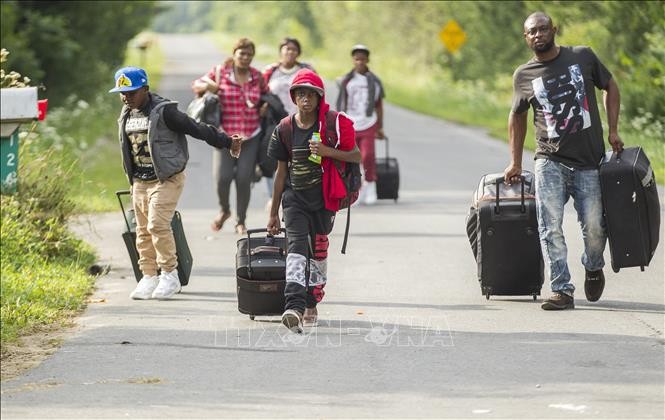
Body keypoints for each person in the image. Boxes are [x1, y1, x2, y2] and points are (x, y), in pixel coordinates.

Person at [504, 12, 624, 310]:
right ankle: (561, 289)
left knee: (595, 227)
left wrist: (613, 130)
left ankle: (593, 267)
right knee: (550, 226)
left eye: (543, 29)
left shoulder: (581, 57)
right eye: (532, 31)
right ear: (526, 37)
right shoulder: (523, 75)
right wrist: (515, 162)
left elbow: (610, 86)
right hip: (549, 160)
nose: (538, 35)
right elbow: (516, 116)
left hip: (588, 161)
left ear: (554, 30)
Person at [110, 66, 242, 300]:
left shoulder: (164, 111)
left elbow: (196, 128)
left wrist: (227, 142)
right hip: (139, 180)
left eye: (131, 92)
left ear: (145, 89)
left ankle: (169, 275)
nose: (126, 97)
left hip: (167, 178)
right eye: (123, 93)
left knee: (157, 225)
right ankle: (148, 276)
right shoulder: (127, 113)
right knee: (141, 232)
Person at [267, 69, 361, 332]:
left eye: (311, 94)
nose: (306, 99)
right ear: (294, 98)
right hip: (294, 199)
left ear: (320, 98)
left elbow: (356, 156)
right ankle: (294, 307)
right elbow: (280, 173)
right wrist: (273, 213)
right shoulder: (284, 128)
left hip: (324, 200)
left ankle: (312, 301)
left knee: (318, 251)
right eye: (301, 94)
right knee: (296, 249)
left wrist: (327, 151)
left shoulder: (331, 124)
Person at [192, 38, 269, 235]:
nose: (245, 57)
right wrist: (210, 86)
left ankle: (240, 221)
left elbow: (267, 95)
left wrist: (265, 106)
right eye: (241, 53)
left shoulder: (257, 76)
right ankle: (224, 210)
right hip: (224, 135)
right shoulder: (221, 73)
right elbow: (196, 85)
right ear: (234, 54)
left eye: (249, 54)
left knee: (244, 179)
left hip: (251, 135)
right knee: (222, 178)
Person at [260, 37, 315, 211]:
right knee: (273, 160)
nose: (290, 52)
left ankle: (301, 196)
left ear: (298, 52)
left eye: (293, 49)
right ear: (280, 51)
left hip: (302, 121)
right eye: (286, 49)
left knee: (303, 159)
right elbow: (261, 92)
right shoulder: (270, 71)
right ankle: (273, 197)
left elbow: (317, 93)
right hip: (276, 123)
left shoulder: (306, 70)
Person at [335, 44, 386, 206]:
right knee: (350, 159)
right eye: (357, 59)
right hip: (349, 123)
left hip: (368, 122)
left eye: (363, 59)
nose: (360, 62)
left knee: (368, 155)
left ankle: (371, 185)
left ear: (367, 60)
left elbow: (378, 105)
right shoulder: (346, 80)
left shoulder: (374, 81)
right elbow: (341, 102)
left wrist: (380, 126)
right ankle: (354, 190)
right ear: (353, 60)